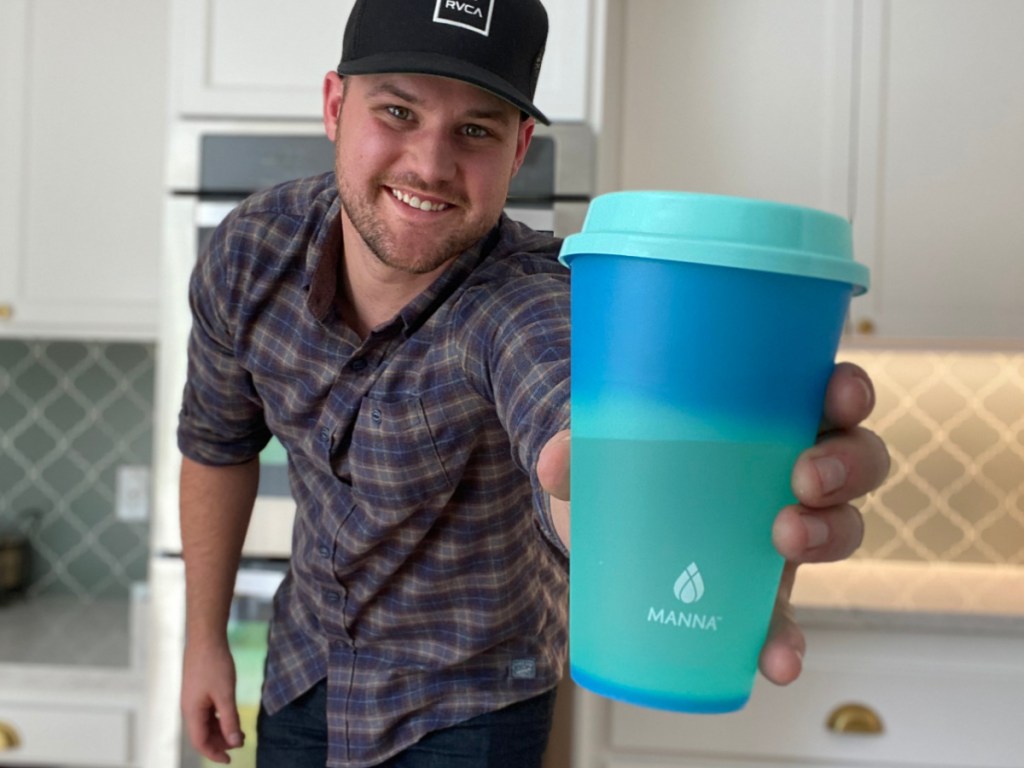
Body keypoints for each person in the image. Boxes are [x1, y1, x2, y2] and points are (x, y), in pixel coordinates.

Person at [176, 0, 891, 766]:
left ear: (518, 149)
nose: (430, 164)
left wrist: (684, 522)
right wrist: (203, 638)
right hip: (303, 674)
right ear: (334, 106)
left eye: (475, 131)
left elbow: (572, 441)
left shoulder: (527, 302)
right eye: (398, 112)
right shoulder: (254, 250)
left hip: (470, 714)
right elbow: (218, 445)